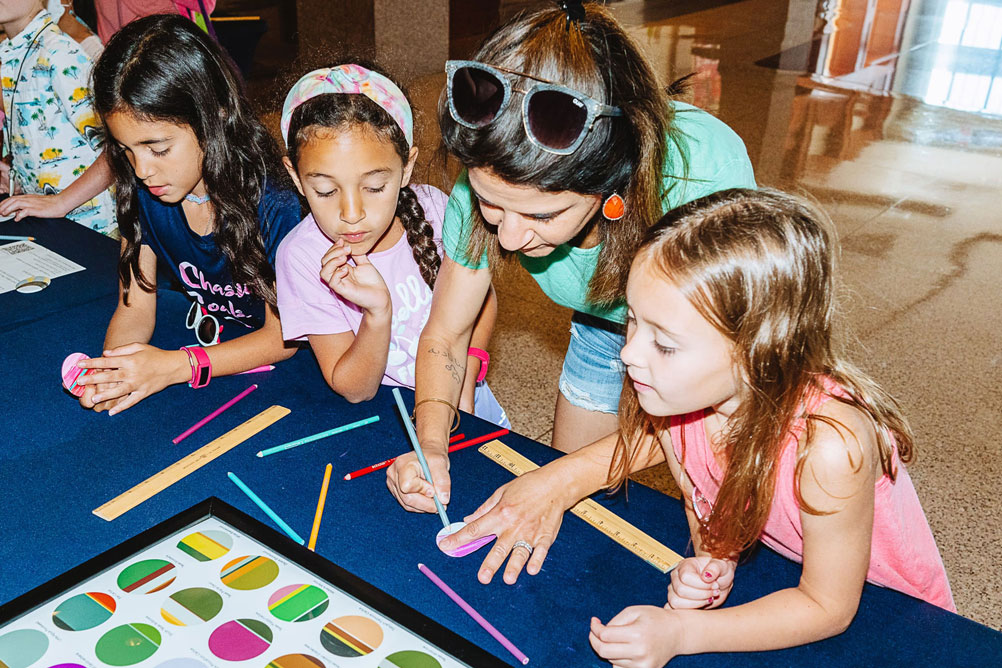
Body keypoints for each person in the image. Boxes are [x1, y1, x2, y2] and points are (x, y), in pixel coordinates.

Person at [439, 189, 954, 666]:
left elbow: (829, 605)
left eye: (664, 343)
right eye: (633, 321)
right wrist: (711, 559)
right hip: (782, 572)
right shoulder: (673, 404)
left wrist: (682, 632)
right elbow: (705, 505)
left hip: (892, 607)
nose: (628, 354)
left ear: (757, 352)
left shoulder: (829, 447)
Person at [386, 2, 755, 513]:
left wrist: (559, 480)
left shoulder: (702, 178)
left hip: (711, 352)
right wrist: (430, 442)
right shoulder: (494, 171)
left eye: (542, 215)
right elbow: (446, 335)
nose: (510, 237)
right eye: (491, 205)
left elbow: (725, 391)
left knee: (705, 500)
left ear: (610, 183)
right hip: (604, 324)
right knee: (580, 500)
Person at [71, 14, 300, 414]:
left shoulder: (276, 201)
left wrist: (177, 365)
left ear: (215, 116)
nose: (141, 170)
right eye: (126, 150)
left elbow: (283, 339)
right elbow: (133, 306)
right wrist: (116, 370)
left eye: (158, 148)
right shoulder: (142, 190)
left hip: (289, 379)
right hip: (220, 355)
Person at [275, 64, 508, 427]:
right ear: (295, 177)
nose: (351, 214)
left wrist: (466, 379)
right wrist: (376, 314)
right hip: (387, 423)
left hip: (467, 399)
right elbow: (355, 389)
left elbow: (484, 300)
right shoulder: (301, 256)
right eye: (325, 191)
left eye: (374, 187)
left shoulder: (435, 207)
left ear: (407, 167)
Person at [0, 0, 115, 234]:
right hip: (50, 221)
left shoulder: (59, 53)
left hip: (92, 228)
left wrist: (60, 202)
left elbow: (115, 151)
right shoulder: (15, 53)